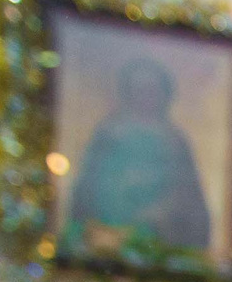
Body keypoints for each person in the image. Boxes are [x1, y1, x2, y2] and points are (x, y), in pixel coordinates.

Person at [61, 55, 215, 261]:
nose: (145, 97)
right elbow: (88, 190)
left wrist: (163, 211)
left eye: (151, 90)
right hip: (106, 238)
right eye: (138, 90)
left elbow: (189, 197)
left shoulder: (175, 141)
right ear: (127, 93)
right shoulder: (107, 134)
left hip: (158, 239)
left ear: (164, 95)